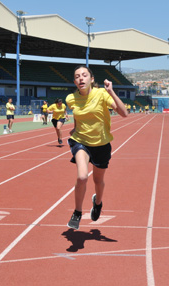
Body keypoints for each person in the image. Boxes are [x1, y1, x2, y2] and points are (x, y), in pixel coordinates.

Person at [65, 65, 128, 230]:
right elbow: (78, 116)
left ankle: (98, 203)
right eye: (77, 76)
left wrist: (111, 92)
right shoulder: (71, 99)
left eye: (84, 75)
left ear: (91, 79)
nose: (81, 78)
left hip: (101, 144)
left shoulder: (101, 94)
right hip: (81, 141)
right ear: (74, 81)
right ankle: (77, 212)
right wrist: (76, 127)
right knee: (82, 177)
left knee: (98, 181)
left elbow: (124, 113)